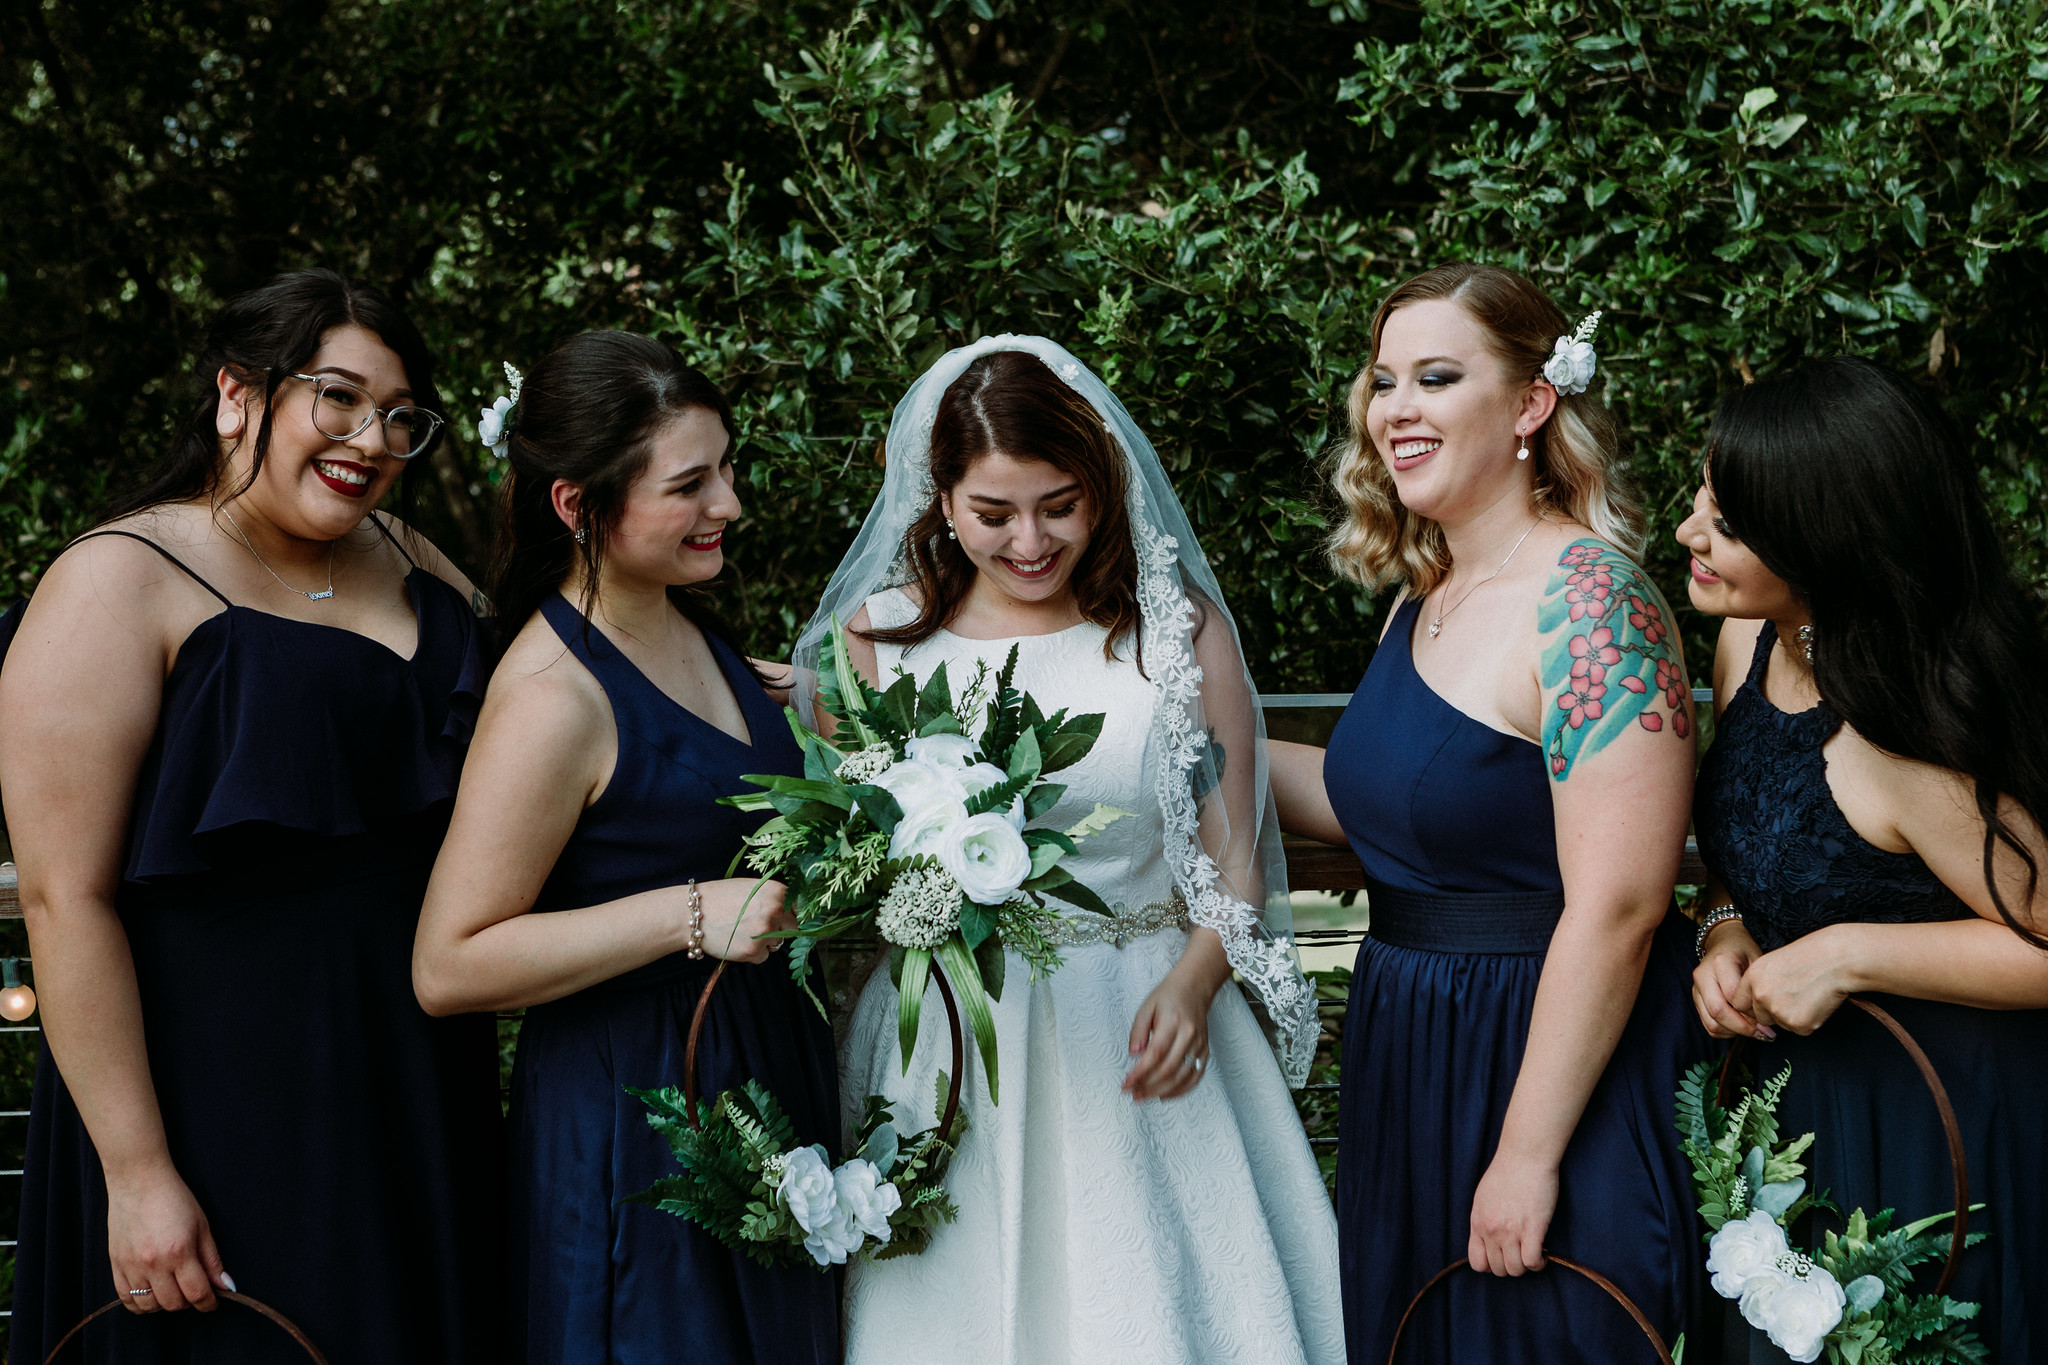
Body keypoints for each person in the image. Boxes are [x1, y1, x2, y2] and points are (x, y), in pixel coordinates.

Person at [796, 337, 1342, 1365]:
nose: (1029, 540)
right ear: (940, 500)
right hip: (948, 1039)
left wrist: (1191, 980)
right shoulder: (877, 639)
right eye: (992, 513)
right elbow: (850, 854)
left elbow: (1233, 852)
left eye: (1058, 504)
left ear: (1098, 487)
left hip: (1140, 1013)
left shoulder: (1173, 632)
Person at [0, 269, 503, 1362]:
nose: (370, 438)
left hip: (411, 1078)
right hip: (213, 1095)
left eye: (399, 416)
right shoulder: (116, 578)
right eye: (338, 396)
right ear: (238, 396)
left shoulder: (411, 559)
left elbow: (549, 705)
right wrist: (138, 1177)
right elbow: (61, 896)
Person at [1268, 263, 1713, 1361]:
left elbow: (1618, 906)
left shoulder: (1591, 602)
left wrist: (1525, 1151)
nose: (1393, 410)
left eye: (1433, 377)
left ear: (1528, 403)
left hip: (1545, 1059)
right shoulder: (1424, 596)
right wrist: (1171, 739)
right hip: (1409, 1045)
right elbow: (1369, 804)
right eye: (1381, 381)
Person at [409, 331, 839, 1365]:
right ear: (577, 506)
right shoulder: (551, 699)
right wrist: (687, 913)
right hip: (637, 1120)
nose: (728, 504)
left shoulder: (690, 625)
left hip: (760, 1075)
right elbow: (448, 962)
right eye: (690, 484)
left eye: (725, 469)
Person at [1683, 356, 2048, 1360]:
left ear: (1824, 545)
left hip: (1942, 1123)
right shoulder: (1745, 645)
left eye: (1724, 525)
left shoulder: (1907, 731)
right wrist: (1724, 931)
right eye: (1700, 503)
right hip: (1795, 1114)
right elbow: (1746, 854)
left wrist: (1849, 952)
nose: (1687, 536)